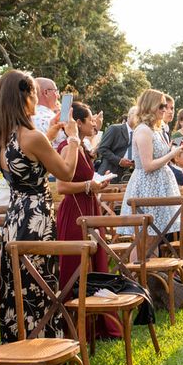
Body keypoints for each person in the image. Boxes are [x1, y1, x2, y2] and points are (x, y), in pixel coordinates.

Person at [0, 70, 80, 365]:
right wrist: (73, 138)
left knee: (19, 291)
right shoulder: (33, 138)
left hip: (15, 218)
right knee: (41, 290)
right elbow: (65, 172)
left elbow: (29, 164)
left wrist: (52, 132)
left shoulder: (1, 137)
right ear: (25, 96)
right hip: (37, 219)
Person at [55, 102, 121, 339]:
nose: (94, 123)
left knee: (95, 262)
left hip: (88, 205)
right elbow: (61, 186)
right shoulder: (66, 147)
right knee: (76, 265)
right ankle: (75, 324)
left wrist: (96, 184)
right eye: (90, 119)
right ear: (78, 123)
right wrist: (87, 185)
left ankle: (97, 322)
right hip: (75, 212)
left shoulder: (82, 146)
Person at [118, 90, 183, 243]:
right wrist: (172, 154)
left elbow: (160, 155)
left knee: (154, 237)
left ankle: (151, 267)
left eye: (166, 106)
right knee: (144, 237)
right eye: (161, 106)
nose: (165, 109)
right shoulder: (143, 130)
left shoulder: (156, 129)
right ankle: (136, 267)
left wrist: (174, 148)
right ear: (150, 105)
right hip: (147, 186)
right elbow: (147, 165)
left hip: (158, 186)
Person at [96, 106, 137, 182]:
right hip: (109, 173)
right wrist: (119, 161)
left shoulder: (140, 133)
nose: (139, 118)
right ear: (129, 115)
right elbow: (102, 149)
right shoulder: (114, 129)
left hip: (128, 176)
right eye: (137, 115)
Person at [32, 77, 67, 148]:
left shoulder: (25, 118)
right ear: (46, 92)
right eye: (56, 91)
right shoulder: (53, 120)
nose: (58, 96)